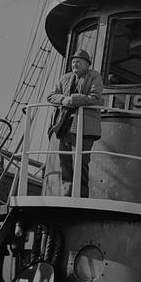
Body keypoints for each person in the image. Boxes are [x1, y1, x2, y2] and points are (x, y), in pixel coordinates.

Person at [46, 49, 103, 197]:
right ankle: (67, 195)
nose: (74, 64)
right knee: (65, 162)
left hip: (85, 127)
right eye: (73, 62)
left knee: (81, 162)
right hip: (64, 125)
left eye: (78, 61)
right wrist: (63, 100)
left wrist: (73, 99)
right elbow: (51, 96)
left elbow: (95, 97)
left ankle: (81, 196)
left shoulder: (94, 76)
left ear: (87, 64)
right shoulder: (65, 78)